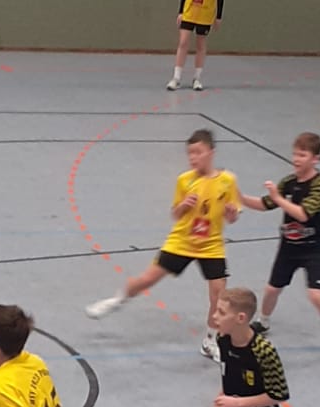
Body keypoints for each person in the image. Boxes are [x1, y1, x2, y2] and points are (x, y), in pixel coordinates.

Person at [86, 128, 240, 356]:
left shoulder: (228, 181)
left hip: (211, 246)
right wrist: (184, 205)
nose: (193, 158)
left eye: (198, 152)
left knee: (219, 294)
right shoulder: (185, 180)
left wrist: (231, 213)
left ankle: (210, 340)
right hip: (182, 242)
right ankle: (117, 300)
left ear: (211, 152)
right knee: (147, 279)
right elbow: (175, 214)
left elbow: (233, 217)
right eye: (190, 153)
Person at [236, 132, 320, 360]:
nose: (297, 159)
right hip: (289, 246)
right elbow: (264, 204)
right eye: (295, 154)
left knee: (316, 294)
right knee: (272, 289)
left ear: (315, 159)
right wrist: (239, 196)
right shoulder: (289, 182)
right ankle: (263, 321)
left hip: (315, 247)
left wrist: (279, 198)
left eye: (302, 155)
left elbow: (303, 214)